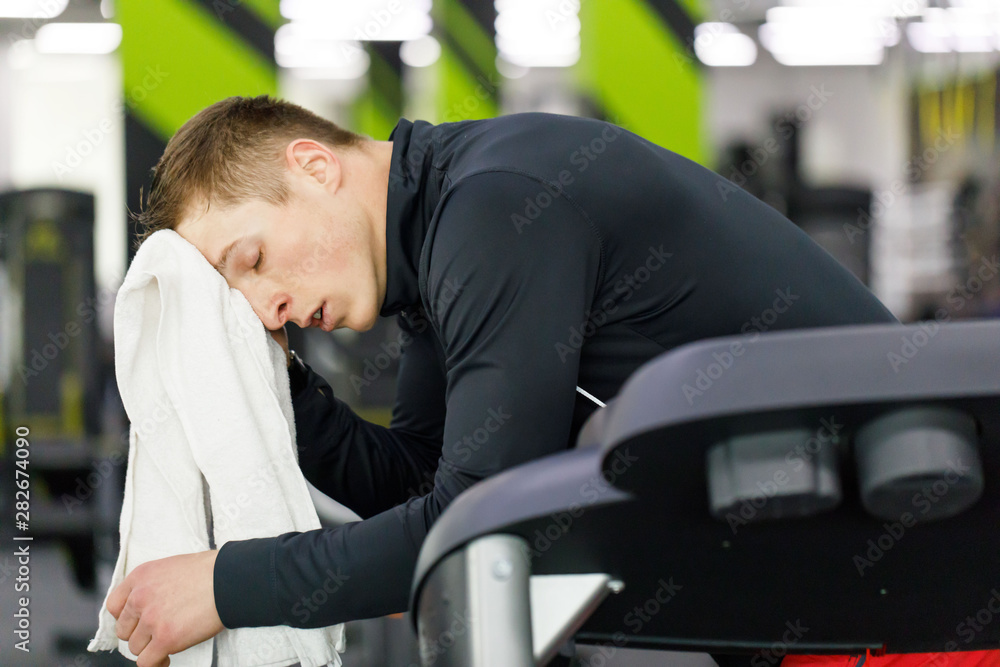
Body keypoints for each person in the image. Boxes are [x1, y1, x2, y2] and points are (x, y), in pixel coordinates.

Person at [101, 94, 958, 667]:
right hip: (821, 600)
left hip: (913, 594)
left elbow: (478, 519)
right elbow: (424, 483)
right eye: (240, 304)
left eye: (252, 260)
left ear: (313, 166)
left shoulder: (495, 208)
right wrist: (267, 388)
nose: (267, 308)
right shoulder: (440, 233)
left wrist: (226, 584)